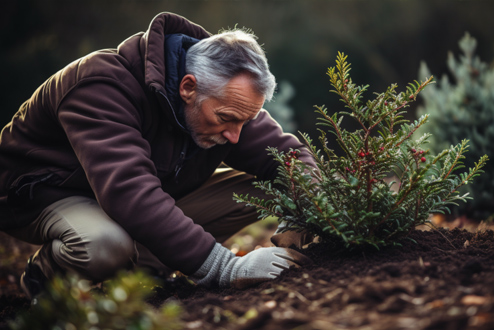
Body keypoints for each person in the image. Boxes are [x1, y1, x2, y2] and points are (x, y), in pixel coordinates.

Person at [0, 12, 314, 299]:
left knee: (264, 186)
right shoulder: (100, 84)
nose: (235, 134)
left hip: (132, 196)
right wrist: (226, 268)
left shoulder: (226, 94)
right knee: (104, 245)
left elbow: (288, 155)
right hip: (46, 191)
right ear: (188, 87)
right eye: (226, 119)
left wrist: (306, 212)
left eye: (244, 121)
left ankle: (146, 268)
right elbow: (129, 191)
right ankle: (46, 275)